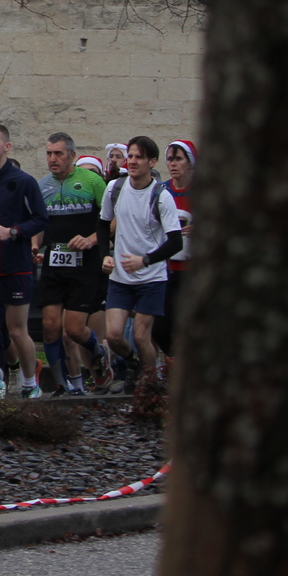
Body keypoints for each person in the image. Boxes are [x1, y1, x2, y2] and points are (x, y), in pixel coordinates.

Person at [99, 136, 183, 388]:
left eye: (139, 157)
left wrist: (145, 260)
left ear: (152, 162)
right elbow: (102, 224)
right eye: (131, 156)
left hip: (152, 278)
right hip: (120, 277)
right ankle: (133, 363)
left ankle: (149, 386)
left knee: (140, 336)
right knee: (113, 335)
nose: (133, 161)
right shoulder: (114, 188)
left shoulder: (161, 196)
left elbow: (175, 242)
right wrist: (104, 255)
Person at [0, 123, 48, 399]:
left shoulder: (24, 181)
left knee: (17, 331)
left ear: (7, 146)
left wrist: (14, 232)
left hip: (16, 266)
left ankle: (31, 383)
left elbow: (40, 218)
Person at [34, 132, 110, 395]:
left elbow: (112, 220)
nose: (52, 159)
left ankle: (99, 351)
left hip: (85, 265)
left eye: (58, 153)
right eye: (49, 153)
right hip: (53, 263)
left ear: (72, 155)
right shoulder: (42, 185)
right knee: (49, 326)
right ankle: (61, 384)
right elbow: (39, 222)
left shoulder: (92, 181)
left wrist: (90, 240)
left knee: (75, 330)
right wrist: (34, 244)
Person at [160, 139, 195, 356]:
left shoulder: (202, 192)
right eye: (170, 159)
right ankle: (173, 360)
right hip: (166, 269)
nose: (173, 164)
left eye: (178, 159)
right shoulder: (162, 191)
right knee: (161, 326)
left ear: (190, 163)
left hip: (192, 270)